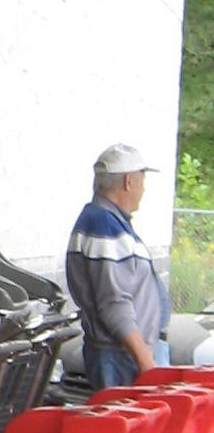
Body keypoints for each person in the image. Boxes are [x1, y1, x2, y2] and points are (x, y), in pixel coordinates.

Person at [65, 143, 172, 388]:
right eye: (142, 181)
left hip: (125, 355)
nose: (144, 189)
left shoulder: (107, 222)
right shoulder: (103, 226)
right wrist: (146, 360)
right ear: (129, 182)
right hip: (124, 358)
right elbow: (114, 302)